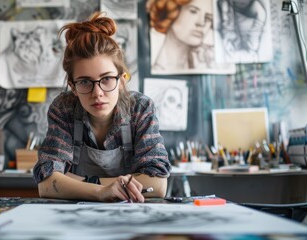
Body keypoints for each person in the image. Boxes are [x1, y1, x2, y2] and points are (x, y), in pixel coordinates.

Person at [33, 12, 171, 203]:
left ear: (122, 81)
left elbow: (157, 184)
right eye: (84, 82)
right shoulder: (64, 109)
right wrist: (102, 191)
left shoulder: (140, 108)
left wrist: (78, 182)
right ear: (73, 87)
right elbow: (47, 184)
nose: (97, 92)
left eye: (106, 79)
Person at [146, 0, 214, 71]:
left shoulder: (207, 60)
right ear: (170, 11)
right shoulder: (153, 68)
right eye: (193, 11)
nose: (202, 23)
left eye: (209, 17)